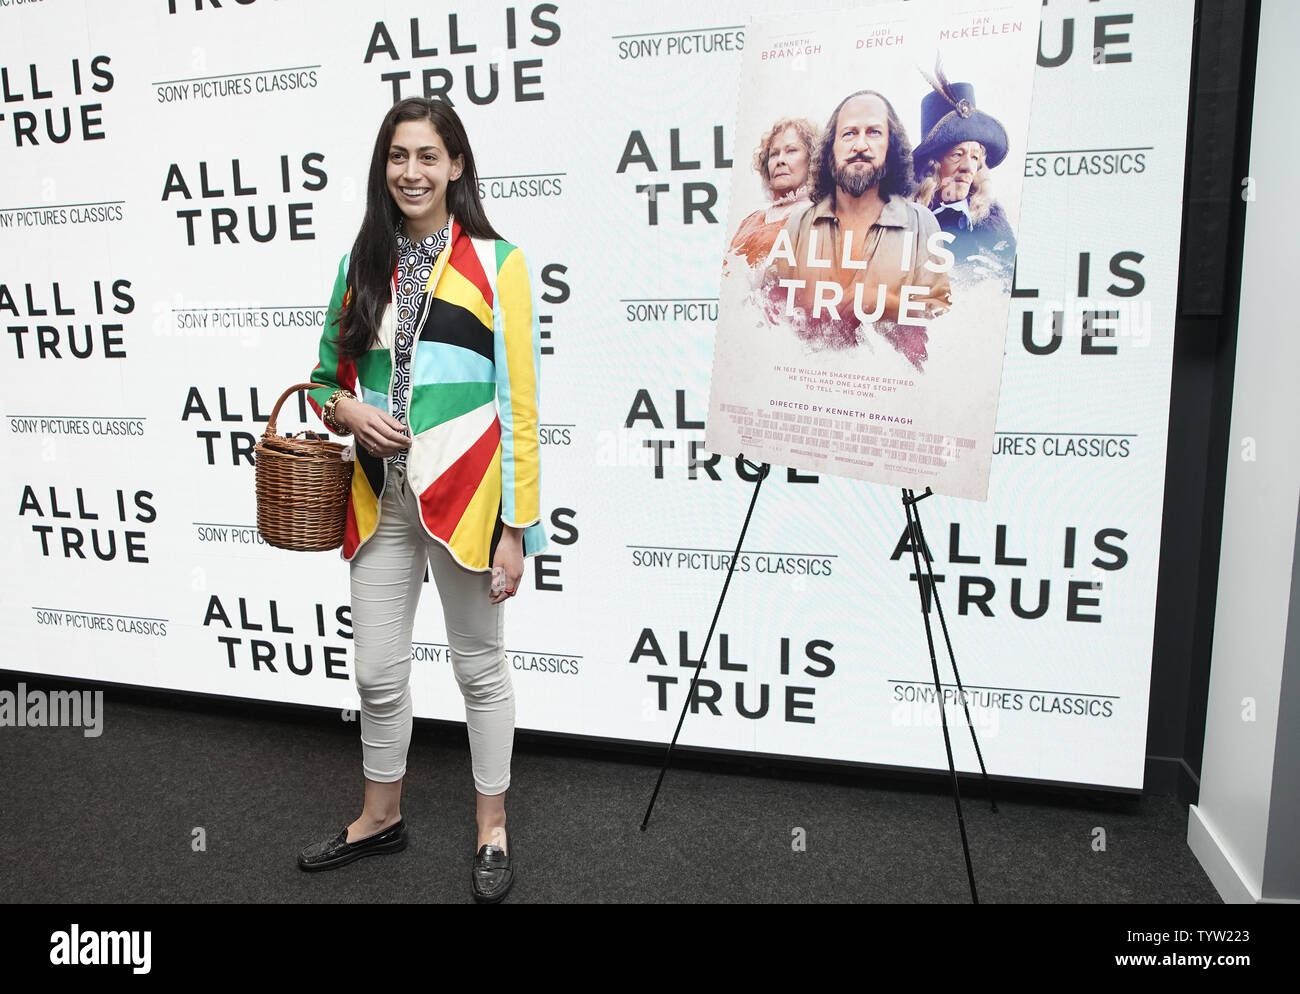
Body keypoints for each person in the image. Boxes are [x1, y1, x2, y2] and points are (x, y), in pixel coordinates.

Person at [297, 96, 546, 904]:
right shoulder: (358, 264)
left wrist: (518, 529)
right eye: (398, 156)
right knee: (375, 672)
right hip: (378, 499)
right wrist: (348, 411)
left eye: (428, 156)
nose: (412, 171)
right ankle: (381, 816)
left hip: (468, 500)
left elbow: (521, 406)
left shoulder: (498, 263)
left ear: (456, 166)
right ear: (385, 166)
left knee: (479, 668)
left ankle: (492, 827)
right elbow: (324, 382)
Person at [767, 90, 951, 370]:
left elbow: (944, 322)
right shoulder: (799, 224)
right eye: (849, 134)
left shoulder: (920, 224)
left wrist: (882, 302)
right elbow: (765, 310)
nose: (860, 145)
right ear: (831, 149)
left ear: (891, 146)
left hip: (889, 395)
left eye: (874, 132)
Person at [911, 68, 1017, 278]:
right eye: (957, 154)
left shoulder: (992, 223)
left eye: (975, 157)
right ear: (932, 165)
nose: (969, 167)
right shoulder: (905, 219)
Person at [726, 117, 818, 270]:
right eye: (774, 154)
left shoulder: (819, 217)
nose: (780, 160)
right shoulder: (750, 220)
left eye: (791, 151)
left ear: (812, 158)